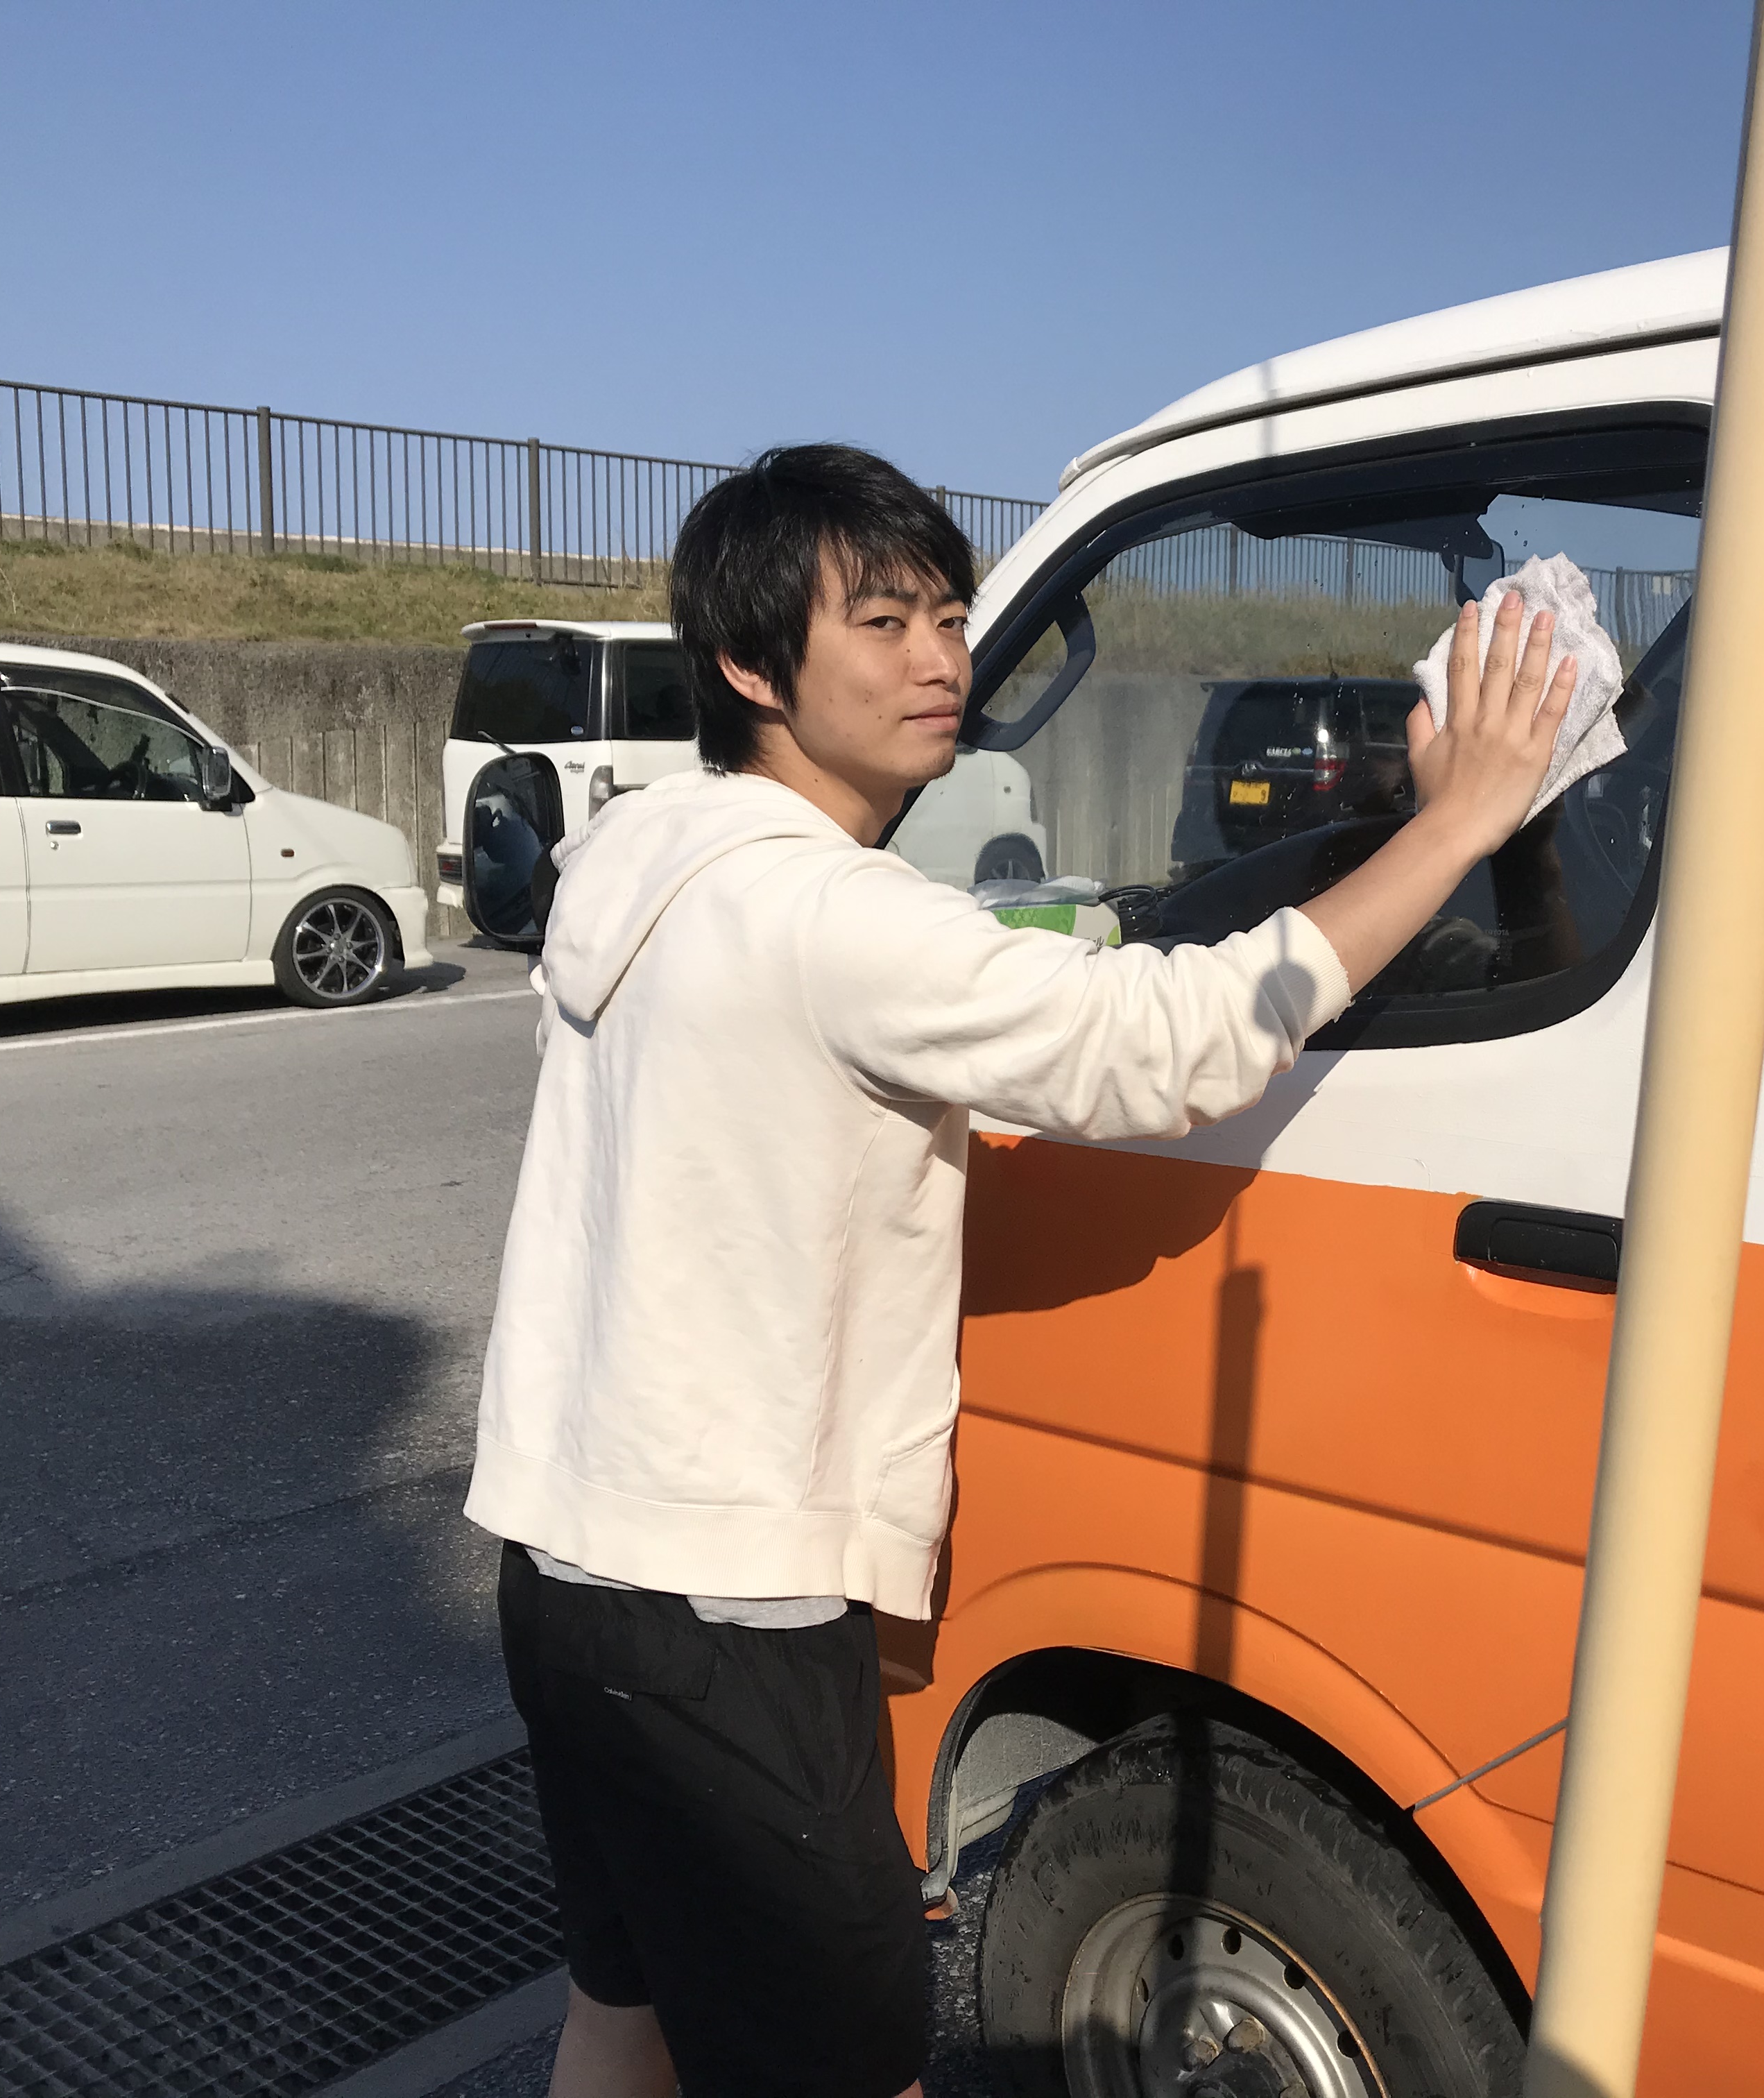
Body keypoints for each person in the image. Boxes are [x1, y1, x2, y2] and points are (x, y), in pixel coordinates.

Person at [465, 443, 1577, 2098]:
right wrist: (1467, 817)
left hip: (568, 1566)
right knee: (848, 2066)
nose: (940, 660)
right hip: (724, 1606)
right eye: (883, 624)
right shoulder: (833, 917)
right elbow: (1173, 1045)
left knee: (627, 2010)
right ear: (752, 668)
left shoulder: (650, 860)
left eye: (950, 615)